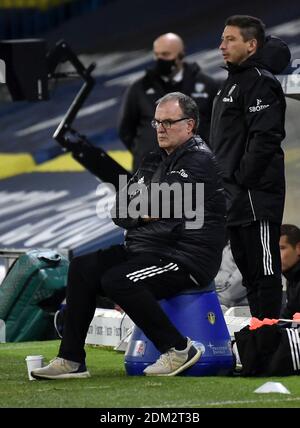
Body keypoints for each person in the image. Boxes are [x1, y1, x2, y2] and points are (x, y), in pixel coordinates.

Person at [31, 92, 226, 380]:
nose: (161, 128)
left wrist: (145, 206)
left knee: (117, 279)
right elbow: (119, 210)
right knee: (83, 267)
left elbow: (165, 205)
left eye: (169, 122)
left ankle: (178, 348)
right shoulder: (151, 160)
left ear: (190, 125)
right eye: (157, 122)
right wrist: (146, 209)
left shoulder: (200, 161)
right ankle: (71, 359)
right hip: (147, 249)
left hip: (184, 255)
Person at [209, 15, 291, 319]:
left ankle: (269, 340)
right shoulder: (232, 82)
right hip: (234, 197)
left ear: (252, 44)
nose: (221, 46)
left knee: (265, 272)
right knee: (249, 274)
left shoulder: (259, 81)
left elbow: (266, 137)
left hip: (256, 196)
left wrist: (243, 178)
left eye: (230, 39)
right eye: (222, 39)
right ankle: (259, 339)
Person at [118, 32, 219, 171]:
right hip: (151, 172)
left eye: (165, 55)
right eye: (157, 55)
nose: (160, 60)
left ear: (181, 56)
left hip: (198, 169)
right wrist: (145, 152)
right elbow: (126, 130)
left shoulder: (207, 85)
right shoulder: (139, 89)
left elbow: (220, 126)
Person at [280, 224, 300, 319]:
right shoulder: (292, 277)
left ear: (298, 248)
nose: (275, 255)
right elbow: (289, 314)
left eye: (282, 248)